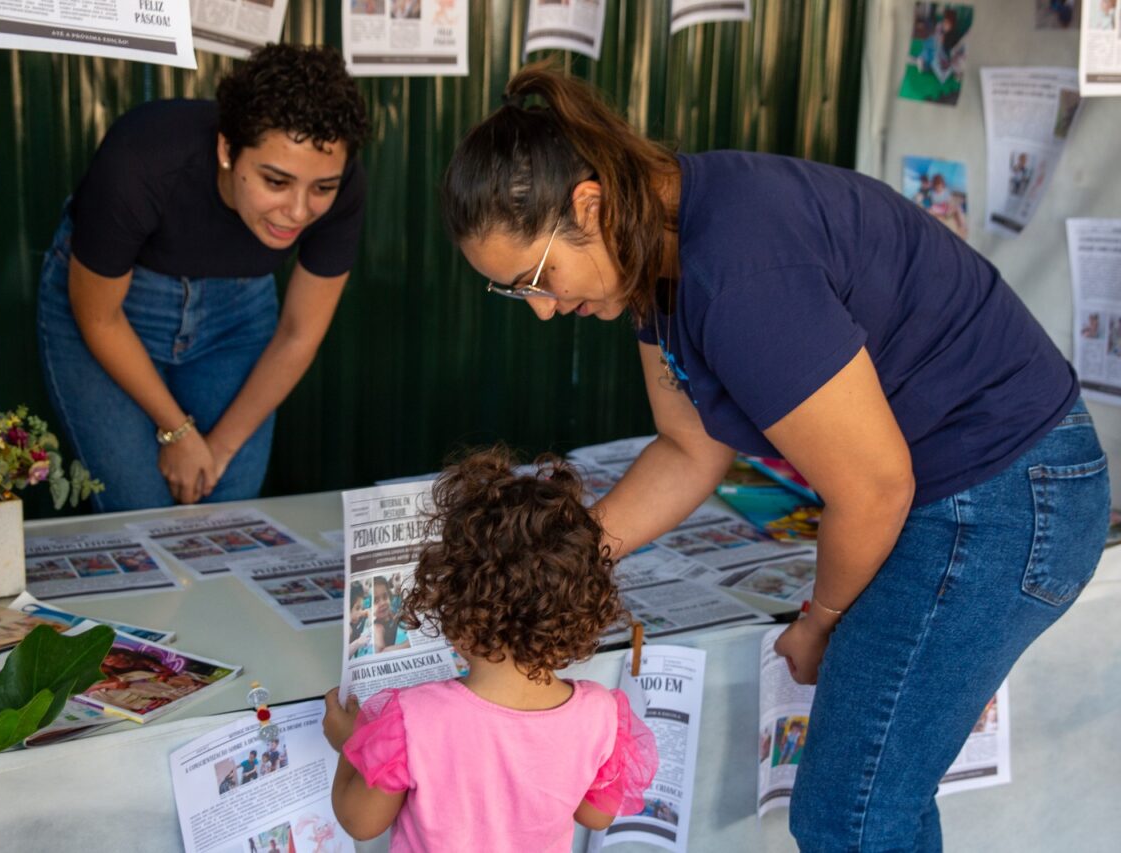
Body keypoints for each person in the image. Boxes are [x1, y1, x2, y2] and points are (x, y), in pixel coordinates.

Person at [439, 65, 1109, 852]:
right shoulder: (655, 243)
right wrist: (548, 564)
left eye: (540, 278)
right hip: (962, 489)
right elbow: (690, 447)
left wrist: (820, 619)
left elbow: (874, 487)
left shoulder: (738, 270)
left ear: (588, 203)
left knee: (850, 813)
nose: (547, 310)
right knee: (866, 804)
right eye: (519, 294)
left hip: (1004, 497)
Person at [37, 44, 369, 512]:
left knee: (227, 509)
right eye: (276, 181)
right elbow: (99, 318)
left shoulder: (345, 179)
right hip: (118, 314)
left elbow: (298, 335)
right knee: (139, 510)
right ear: (227, 149)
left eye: (322, 188)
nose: (298, 211)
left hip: (237, 316)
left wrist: (218, 449)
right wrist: (179, 433)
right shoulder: (142, 158)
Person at [321, 449, 658, 850]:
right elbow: (595, 815)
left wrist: (352, 744)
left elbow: (360, 822)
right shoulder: (600, 714)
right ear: (580, 614)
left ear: (457, 612)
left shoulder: (414, 719)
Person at [370, 575, 410, 654]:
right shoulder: (378, 627)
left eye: (385, 597)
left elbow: (396, 618)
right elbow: (380, 652)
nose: (383, 603)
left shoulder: (390, 613)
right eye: (375, 600)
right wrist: (408, 644)